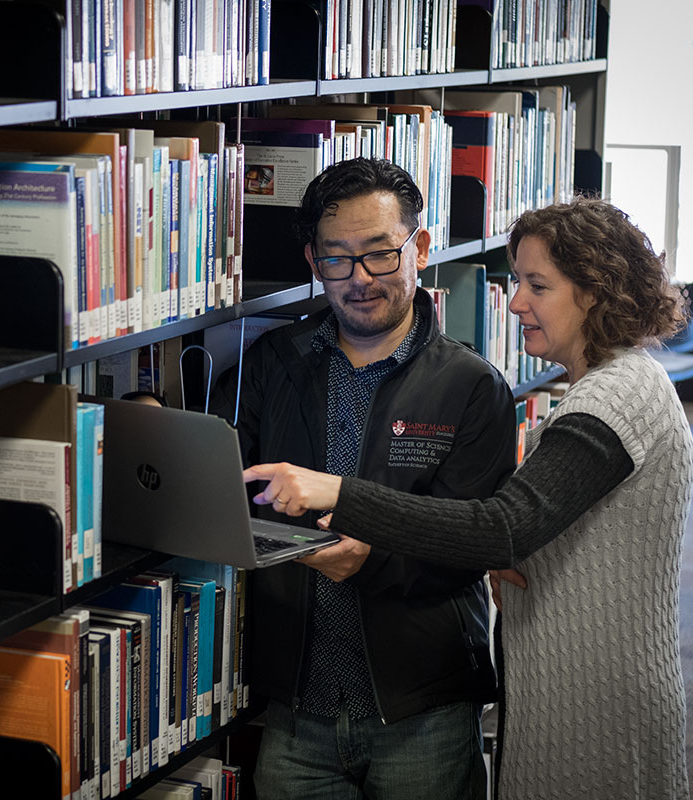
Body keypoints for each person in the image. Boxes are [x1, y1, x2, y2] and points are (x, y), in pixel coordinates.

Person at [245, 196, 693, 800]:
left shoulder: (616, 399)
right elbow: (528, 529)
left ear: (594, 291)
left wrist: (340, 494)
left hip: (598, 698)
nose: (515, 303)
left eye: (538, 285)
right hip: (565, 683)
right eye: (518, 282)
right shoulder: (610, 389)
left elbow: (502, 528)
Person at [209, 157, 516, 800]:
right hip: (296, 710)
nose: (359, 280)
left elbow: (473, 546)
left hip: (422, 708)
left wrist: (369, 561)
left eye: (380, 255)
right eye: (337, 259)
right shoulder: (274, 362)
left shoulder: (472, 386)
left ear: (420, 249)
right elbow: (226, 491)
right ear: (313, 261)